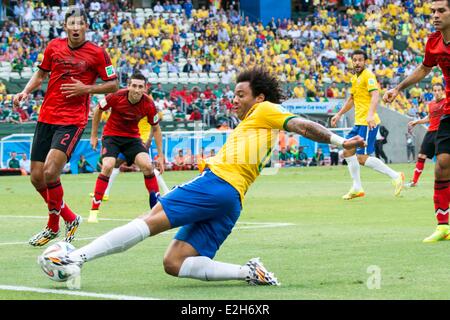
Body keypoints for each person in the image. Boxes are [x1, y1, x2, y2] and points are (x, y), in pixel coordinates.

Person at [39, 67, 364, 287]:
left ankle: (76, 257)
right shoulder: (256, 121)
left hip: (218, 184)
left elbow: (303, 126)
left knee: (151, 217)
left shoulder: (266, 111)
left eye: (241, 94)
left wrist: (340, 142)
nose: (234, 100)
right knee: (175, 261)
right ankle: (248, 272)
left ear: (259, 98)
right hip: (232, 200)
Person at [13, 7, 119, 247]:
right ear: (65, 26)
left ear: (85, 26)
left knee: (51, 172)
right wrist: (25, 91)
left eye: (79, 23)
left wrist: (86, 89)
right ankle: (70, 219)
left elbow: (113, 85)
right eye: (70, 23)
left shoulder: (98, 53)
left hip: (72, 120)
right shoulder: (53, 47)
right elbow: (40, 75)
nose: (74, 27)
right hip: (46, 117)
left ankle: (53, 225)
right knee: (37, 178)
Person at [383, 0, 450, 243]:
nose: (435, 15)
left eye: (441, 10)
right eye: (432, 11)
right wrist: (398, 88)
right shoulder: (433, 41)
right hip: (449, 112)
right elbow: (424, 69)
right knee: (442, 165)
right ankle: (443, 225)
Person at [88, 72, 164, 223]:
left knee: (148, 166)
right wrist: (94, 135)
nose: (136, 89)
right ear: (128, 86)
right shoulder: (116, 96)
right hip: (112, 137)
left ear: (145, 88)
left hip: (132, 139)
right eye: (134, 86)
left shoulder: (149, 104)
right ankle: (94, 211)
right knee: (108, 166)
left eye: (140, 87)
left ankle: (155, 210)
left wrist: (161, 155)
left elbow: (156, 128)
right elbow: (98, 110)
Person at [331, 49, 404, 200]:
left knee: (361, 158)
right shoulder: (354, 78)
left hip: (367, 123)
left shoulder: (368, 76)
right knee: (347, 151)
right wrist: (339, 114)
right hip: (359, 123)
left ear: (365, 62)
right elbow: (352, 99)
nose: (357, 62)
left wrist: (370, 115)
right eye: (355, 60)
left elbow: (375, 95)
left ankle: (396, 176)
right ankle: (357, 188)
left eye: (360, 60)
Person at [406, 83, 446, 187]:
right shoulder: (431, 104)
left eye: (439, 90)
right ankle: (414, 181)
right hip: (430, 132)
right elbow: (429, 118)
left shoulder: (446, 102)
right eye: (435, 90)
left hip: (442, 133)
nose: (437, 92)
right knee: (421, 155)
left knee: (443, 159)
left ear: (443, 91)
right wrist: (416, 122)